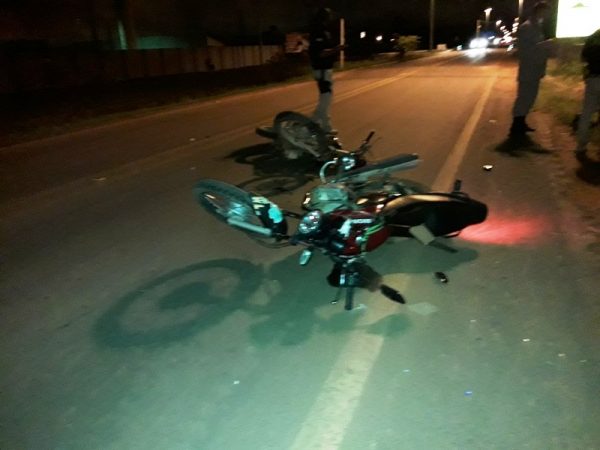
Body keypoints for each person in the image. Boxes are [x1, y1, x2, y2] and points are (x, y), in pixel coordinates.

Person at [510, 1, 555, 136]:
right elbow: (525, 50)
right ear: (539, 12)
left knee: (529, 98)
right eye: (546, 12)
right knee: (524, 98)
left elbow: (535, 47)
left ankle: (521, 123)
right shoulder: (527, 27)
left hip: (535, 70)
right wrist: (545, 45)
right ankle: (516, 126)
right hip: (528, 70)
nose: (548, 15)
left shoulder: (536, 27)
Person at [308, 7, 344, 134]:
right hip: (321, 69)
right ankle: (313, 123)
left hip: (326, 69)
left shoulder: (324, 30)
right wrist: (336, 49)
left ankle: (324, 126)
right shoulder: (318, 31)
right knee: (326, 98)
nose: (331, 17)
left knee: (326, 98)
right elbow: (320, 53)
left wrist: (335, 49)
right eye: (329, 15)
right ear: (324, 17)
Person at [575, 28, 600, 157]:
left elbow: (583, 58)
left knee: (586, 113)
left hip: (592, 79)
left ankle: (581, 145)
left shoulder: (593, 37)